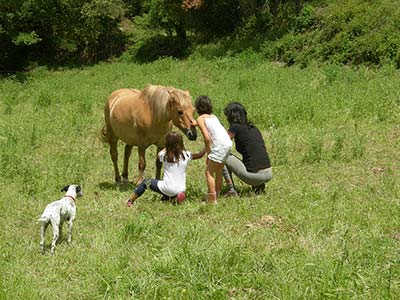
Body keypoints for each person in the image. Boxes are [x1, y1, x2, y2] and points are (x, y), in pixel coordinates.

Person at [126, 131, 205, 206]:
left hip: (168, 188)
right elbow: (200, 155)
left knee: (145, 182)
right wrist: (207, 147)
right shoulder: (186, 155)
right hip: (181, 189)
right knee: (164, 185)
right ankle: (173, 197)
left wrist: (167, 147)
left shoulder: (164, 155)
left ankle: (130, 201)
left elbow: (158, 154)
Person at [222, 102, 272, 195]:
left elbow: (222, 142)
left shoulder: (235, 127)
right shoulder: (253, 127)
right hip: (268, 173)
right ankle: (259, 187)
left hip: (254, 177)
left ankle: (231, 190)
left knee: (222, 156)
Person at [195, 95, 233, 204]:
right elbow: (211, 127)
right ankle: (217, 194)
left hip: (219, 146)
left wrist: (208, 153)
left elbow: (207, 139)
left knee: (209, 173)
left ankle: (212, 200)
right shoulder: (213, 117)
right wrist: (197, 124)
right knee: (219, 170)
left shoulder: (200, 119)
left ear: (197, 108)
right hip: (228, 144)